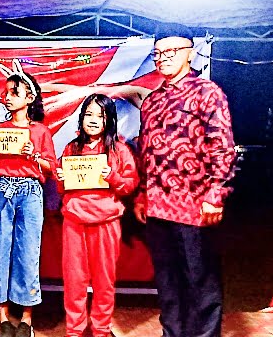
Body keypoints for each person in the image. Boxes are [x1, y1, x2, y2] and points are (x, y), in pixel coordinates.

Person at [133, 22, 237, 337]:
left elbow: (222, 146)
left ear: (190, 54)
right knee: (167, 283)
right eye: (157, 53)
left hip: (194, 207)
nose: (163, 58)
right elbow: (145, 152)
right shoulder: (151, 101)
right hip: (157, 207)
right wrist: (142, 195)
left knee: (200, 282)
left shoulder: (208, 93)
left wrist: (215, 195)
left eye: (171, 51)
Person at [55, 93, 138, 337]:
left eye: (100, 116)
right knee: (74, 280)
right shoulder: (71, 148)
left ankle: (101, 329)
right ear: (81, 118)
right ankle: (75, 330)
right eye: (88, 114)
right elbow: (62, 189)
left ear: (109, 120)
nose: (92, 120)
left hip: (106, 222)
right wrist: (61, 178)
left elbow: (130, 185)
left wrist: (111, 175)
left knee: (104, 280)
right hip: (74, 221)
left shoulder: (119, 150)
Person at [0, 59, 56, 337]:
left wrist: (33, 155)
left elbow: (51, 168)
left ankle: (27, 318)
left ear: (30, 97)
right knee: (0, 250)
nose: (8, 97)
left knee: (28, 252)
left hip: (30, 191)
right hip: (3, 189)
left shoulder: (40, 131)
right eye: (6, 92)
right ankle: (3, 317)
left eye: (14, 92)